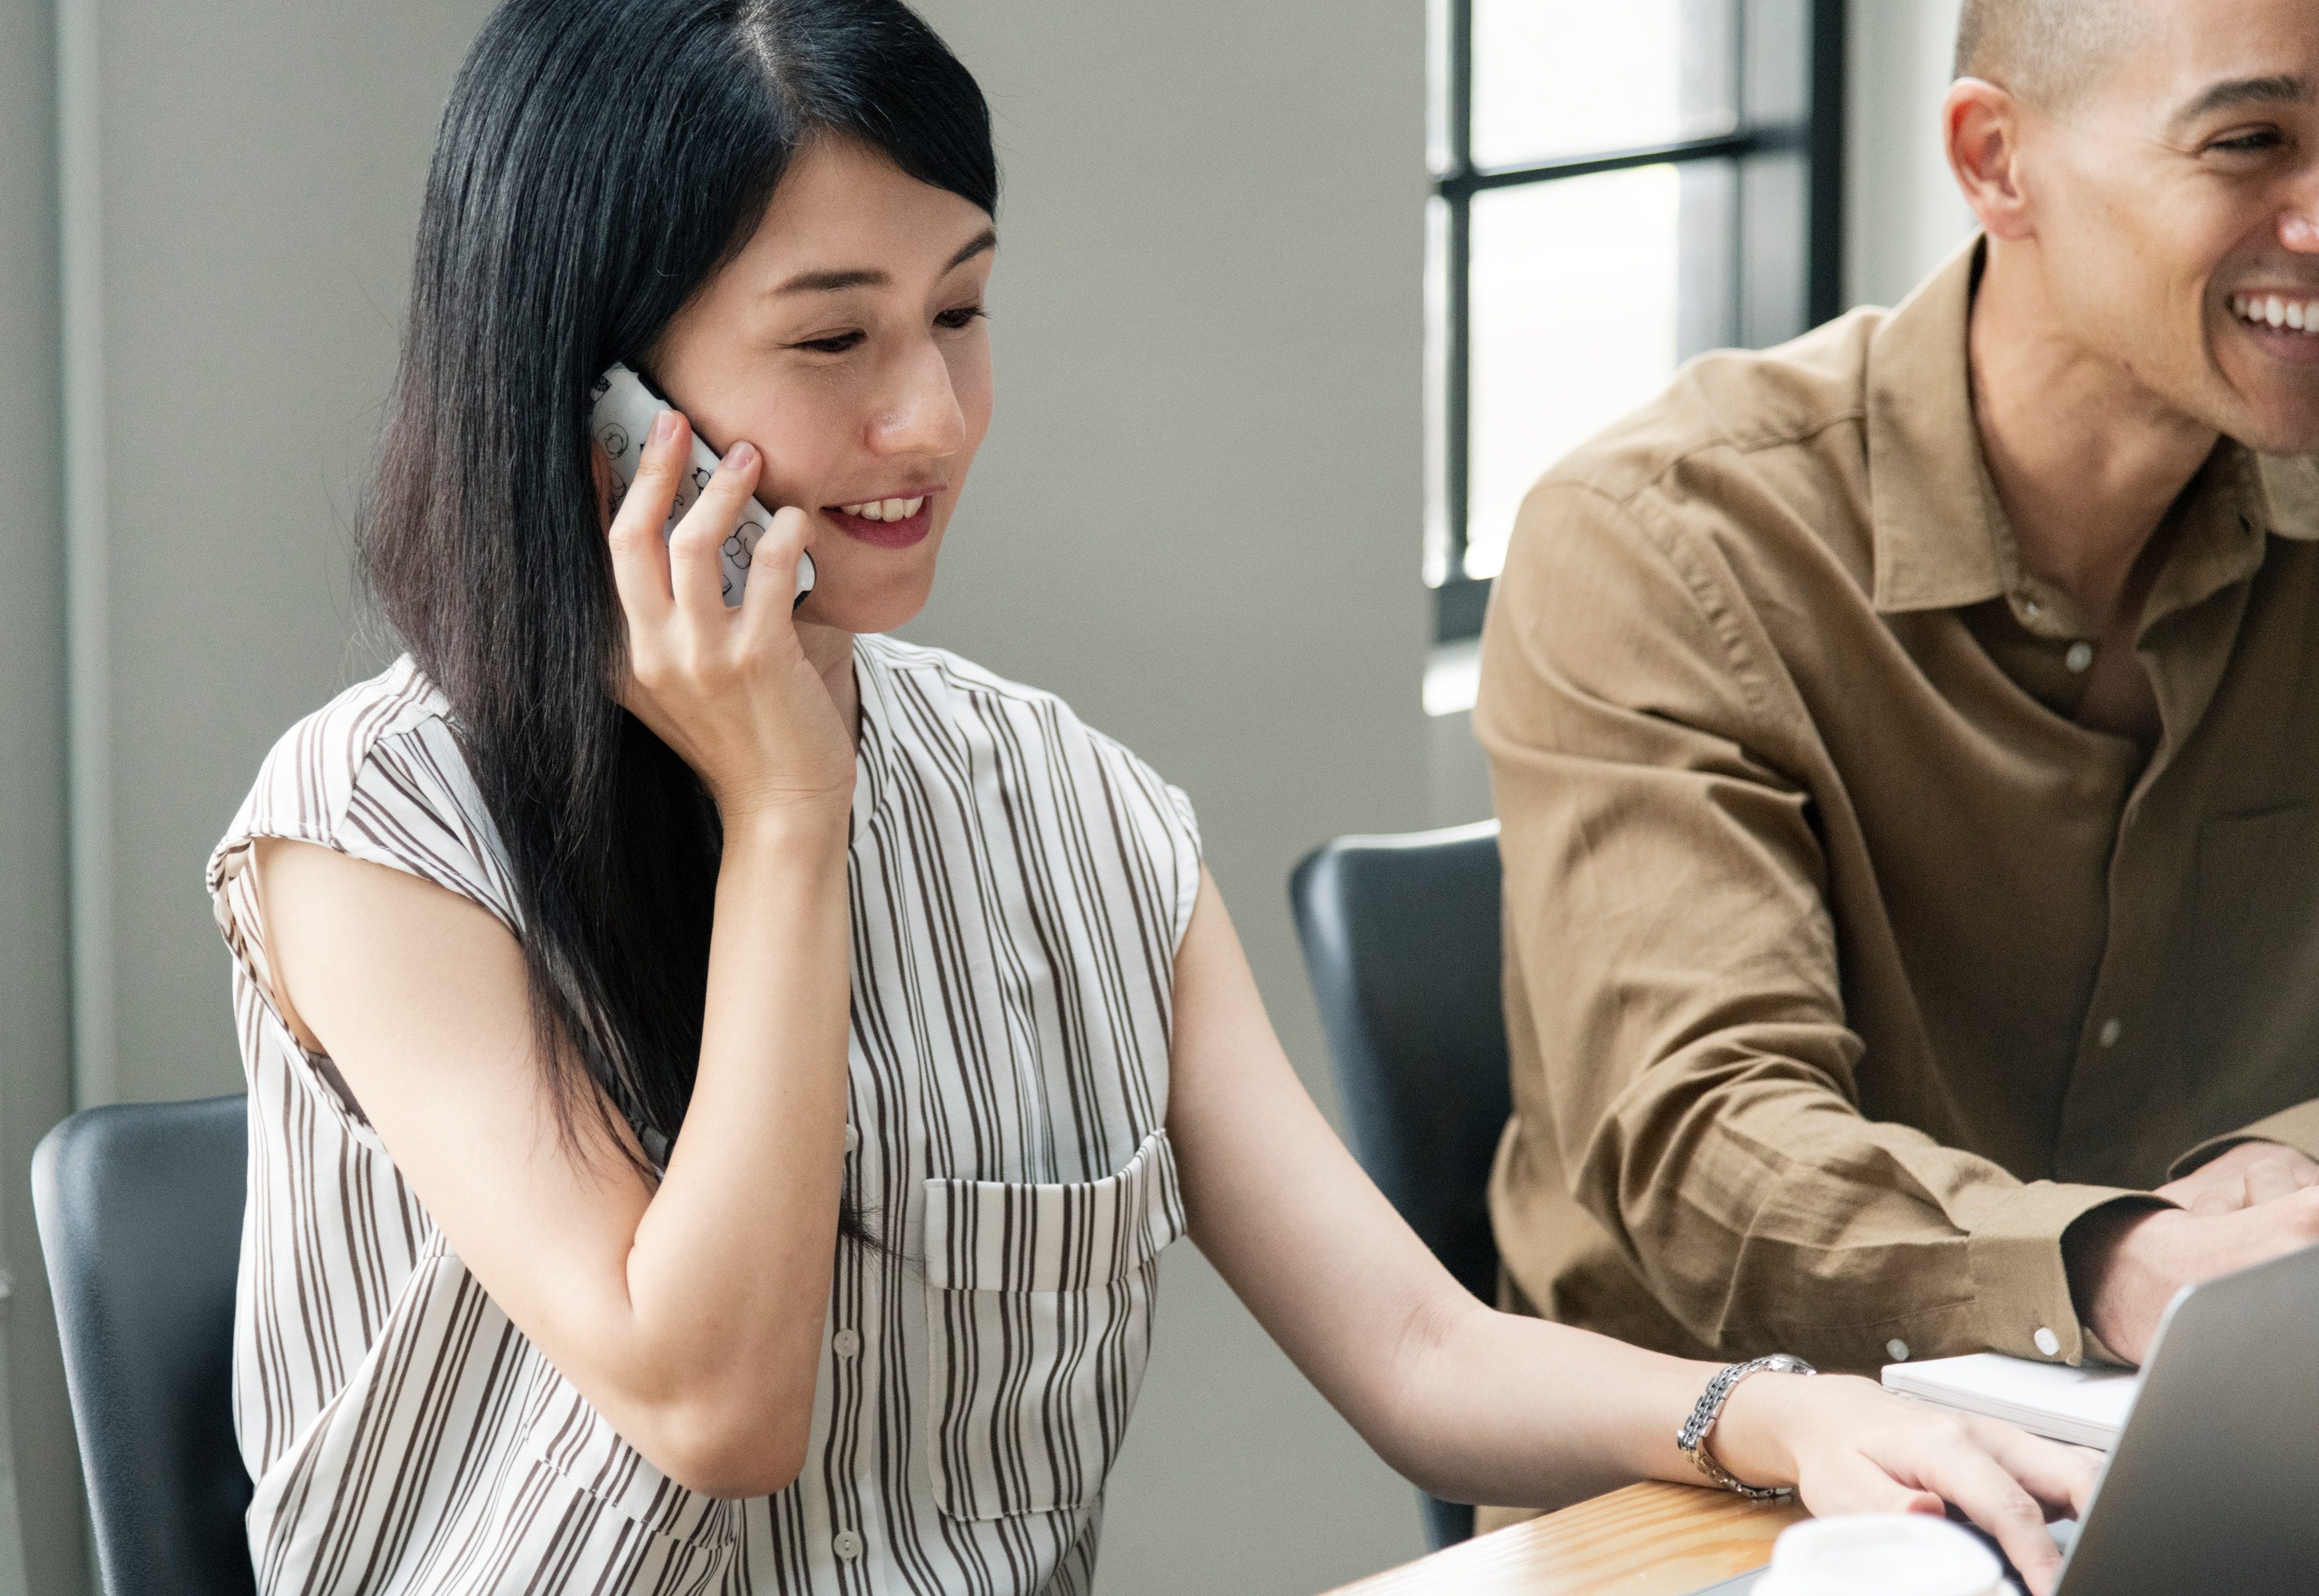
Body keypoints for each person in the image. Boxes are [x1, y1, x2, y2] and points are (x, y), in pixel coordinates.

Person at [206, 2, 2096, 1592]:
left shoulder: (1077, 821)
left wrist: (1762, 1409)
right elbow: (719, 1405)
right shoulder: (376, 833)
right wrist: (788, 820)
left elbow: (1415, 1347)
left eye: (961, 312)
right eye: (832, 338)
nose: (930, 416)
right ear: (600, 405)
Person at [1474, 0, 2319, 1481]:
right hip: (1741, 1505)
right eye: (2250, 144)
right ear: (1996, 162)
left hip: (2232, 1459)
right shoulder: (1664, 546)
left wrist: (2289, 1168)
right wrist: (2117, 1264)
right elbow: (1709, 1145)